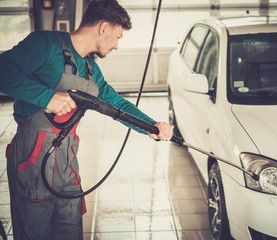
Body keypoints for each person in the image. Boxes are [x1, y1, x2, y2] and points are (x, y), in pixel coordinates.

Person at [0, 0, 173, 239]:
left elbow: (118, 105)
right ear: (103, 28)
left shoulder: (92, 70)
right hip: (32, 160)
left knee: (70, 229)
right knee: (34, 231)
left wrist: (151, 125)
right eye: (117, 37)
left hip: (67, 164)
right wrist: (47, 97)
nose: (116, 46)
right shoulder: (45, 44)